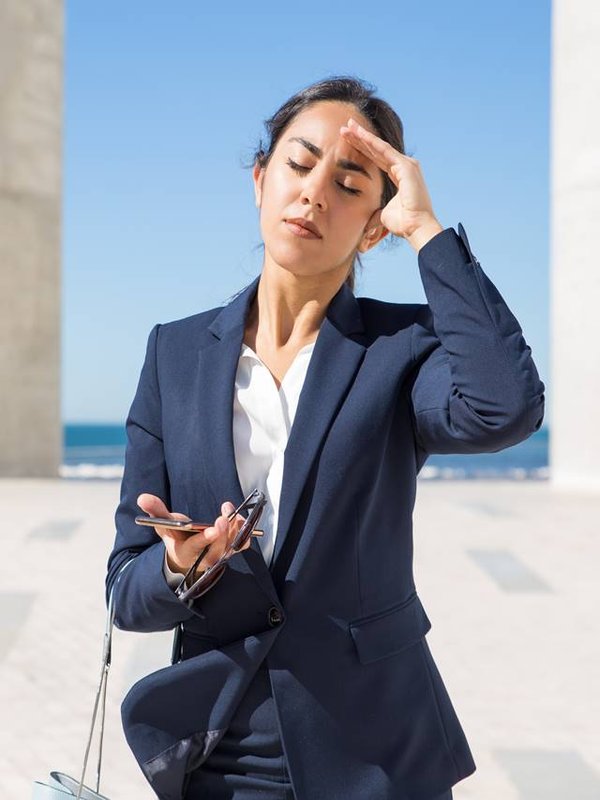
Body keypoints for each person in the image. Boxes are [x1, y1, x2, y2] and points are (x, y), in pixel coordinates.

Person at [105, 75, 545, 800]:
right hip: (220, 752)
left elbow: (505, 409)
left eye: (349, 184)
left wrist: (426, 230)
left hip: (377, 754)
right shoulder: (172, 354)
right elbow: (126, 588)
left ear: (376, 224)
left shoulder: (404, 348)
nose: (314, 194)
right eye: (299, 165)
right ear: (260, 179)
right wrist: (182, 569)